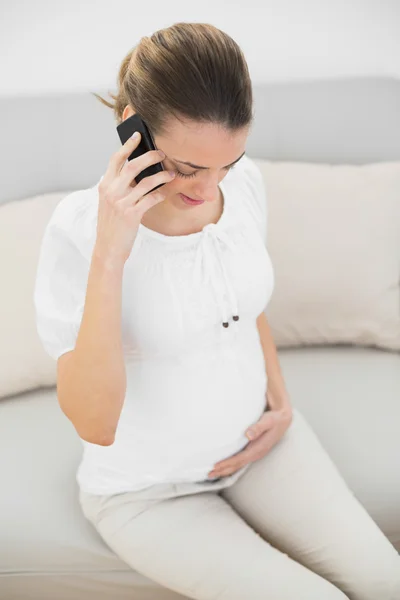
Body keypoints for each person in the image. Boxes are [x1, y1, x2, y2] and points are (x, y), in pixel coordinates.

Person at [33, 21, 399, 600]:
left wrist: (279, 398)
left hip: (262, 447)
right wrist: (111, 251)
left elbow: (243, 301)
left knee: (387, 582)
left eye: (227, 163)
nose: (208, 189)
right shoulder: (79, 232)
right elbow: (93, 421)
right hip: (147, 494)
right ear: (132, 128)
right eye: (186, 167)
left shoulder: (244, 185)